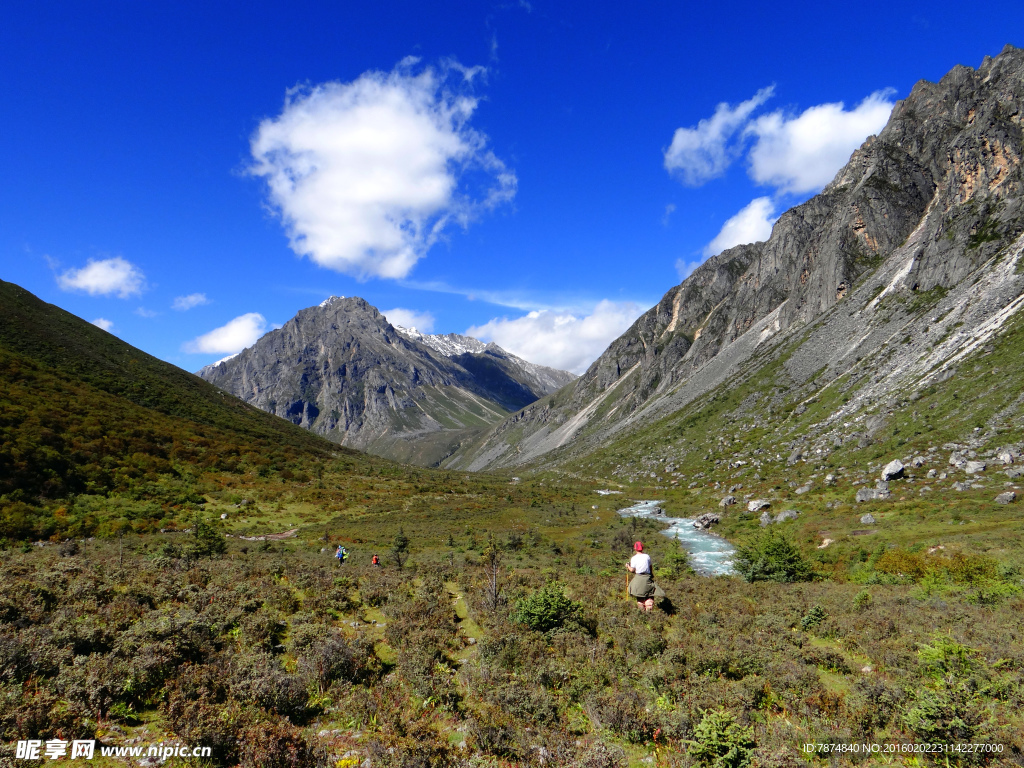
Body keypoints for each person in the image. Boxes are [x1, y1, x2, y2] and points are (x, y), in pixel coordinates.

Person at [626, 541, 659, 612]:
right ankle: (649, 611)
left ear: (635, 548)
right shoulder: (647, 556)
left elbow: (632, 570)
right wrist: (651, 575)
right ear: (642, 548)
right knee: (649, 595)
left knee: (639, 596)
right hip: (647, 578)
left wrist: (627, 566)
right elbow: (650, 567)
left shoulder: (634, 558)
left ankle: (641, 613)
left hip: (639, 578)